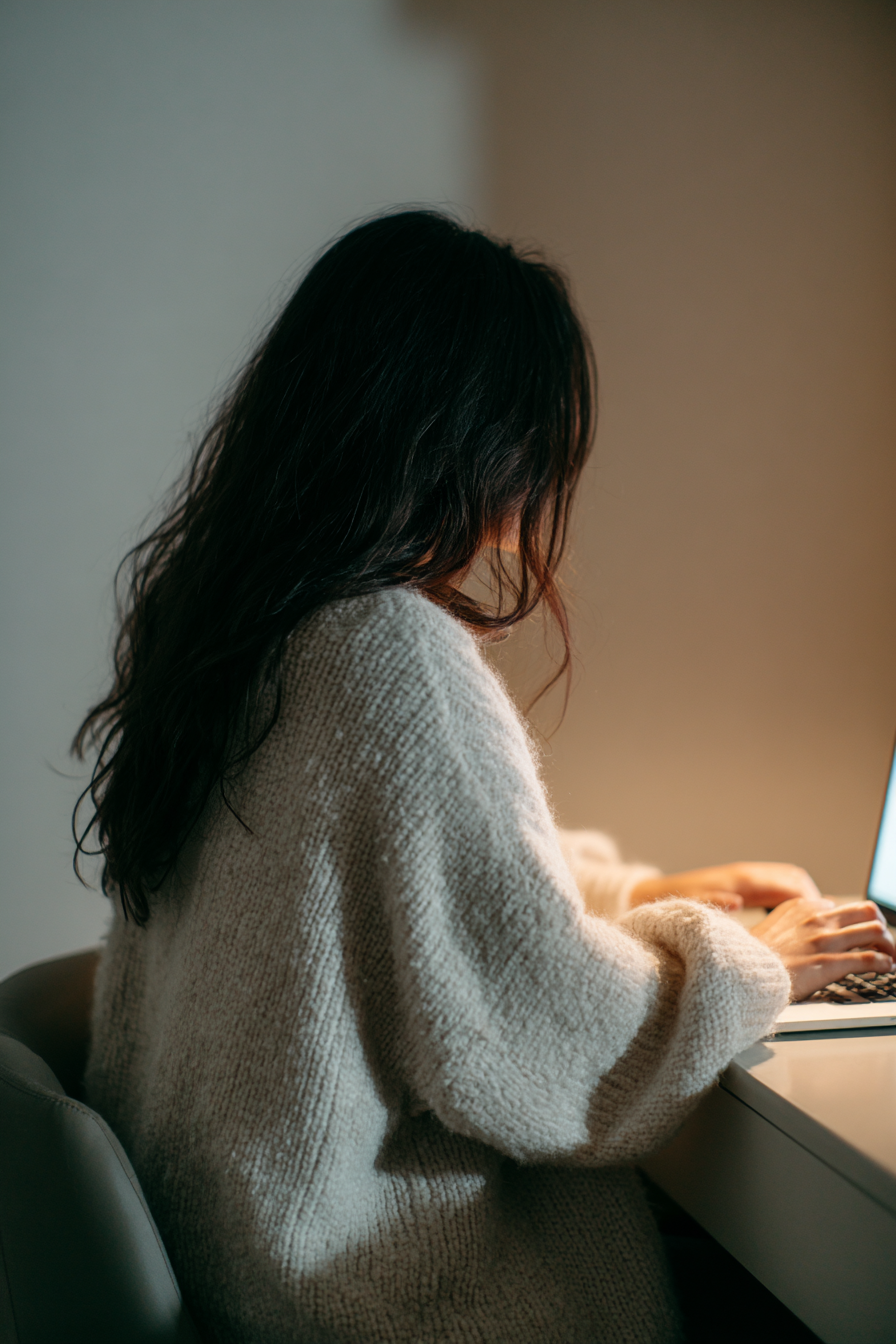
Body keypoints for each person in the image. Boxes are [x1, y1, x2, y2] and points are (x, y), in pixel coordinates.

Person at [73, 210, 894, 1344]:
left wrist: (644, 902)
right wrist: (753, 965)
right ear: (477, 436)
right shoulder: (380, 652)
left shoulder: (232, 636)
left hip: (242, 1271)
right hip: (378, 1303)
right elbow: (539, 1043)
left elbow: (384, 917)